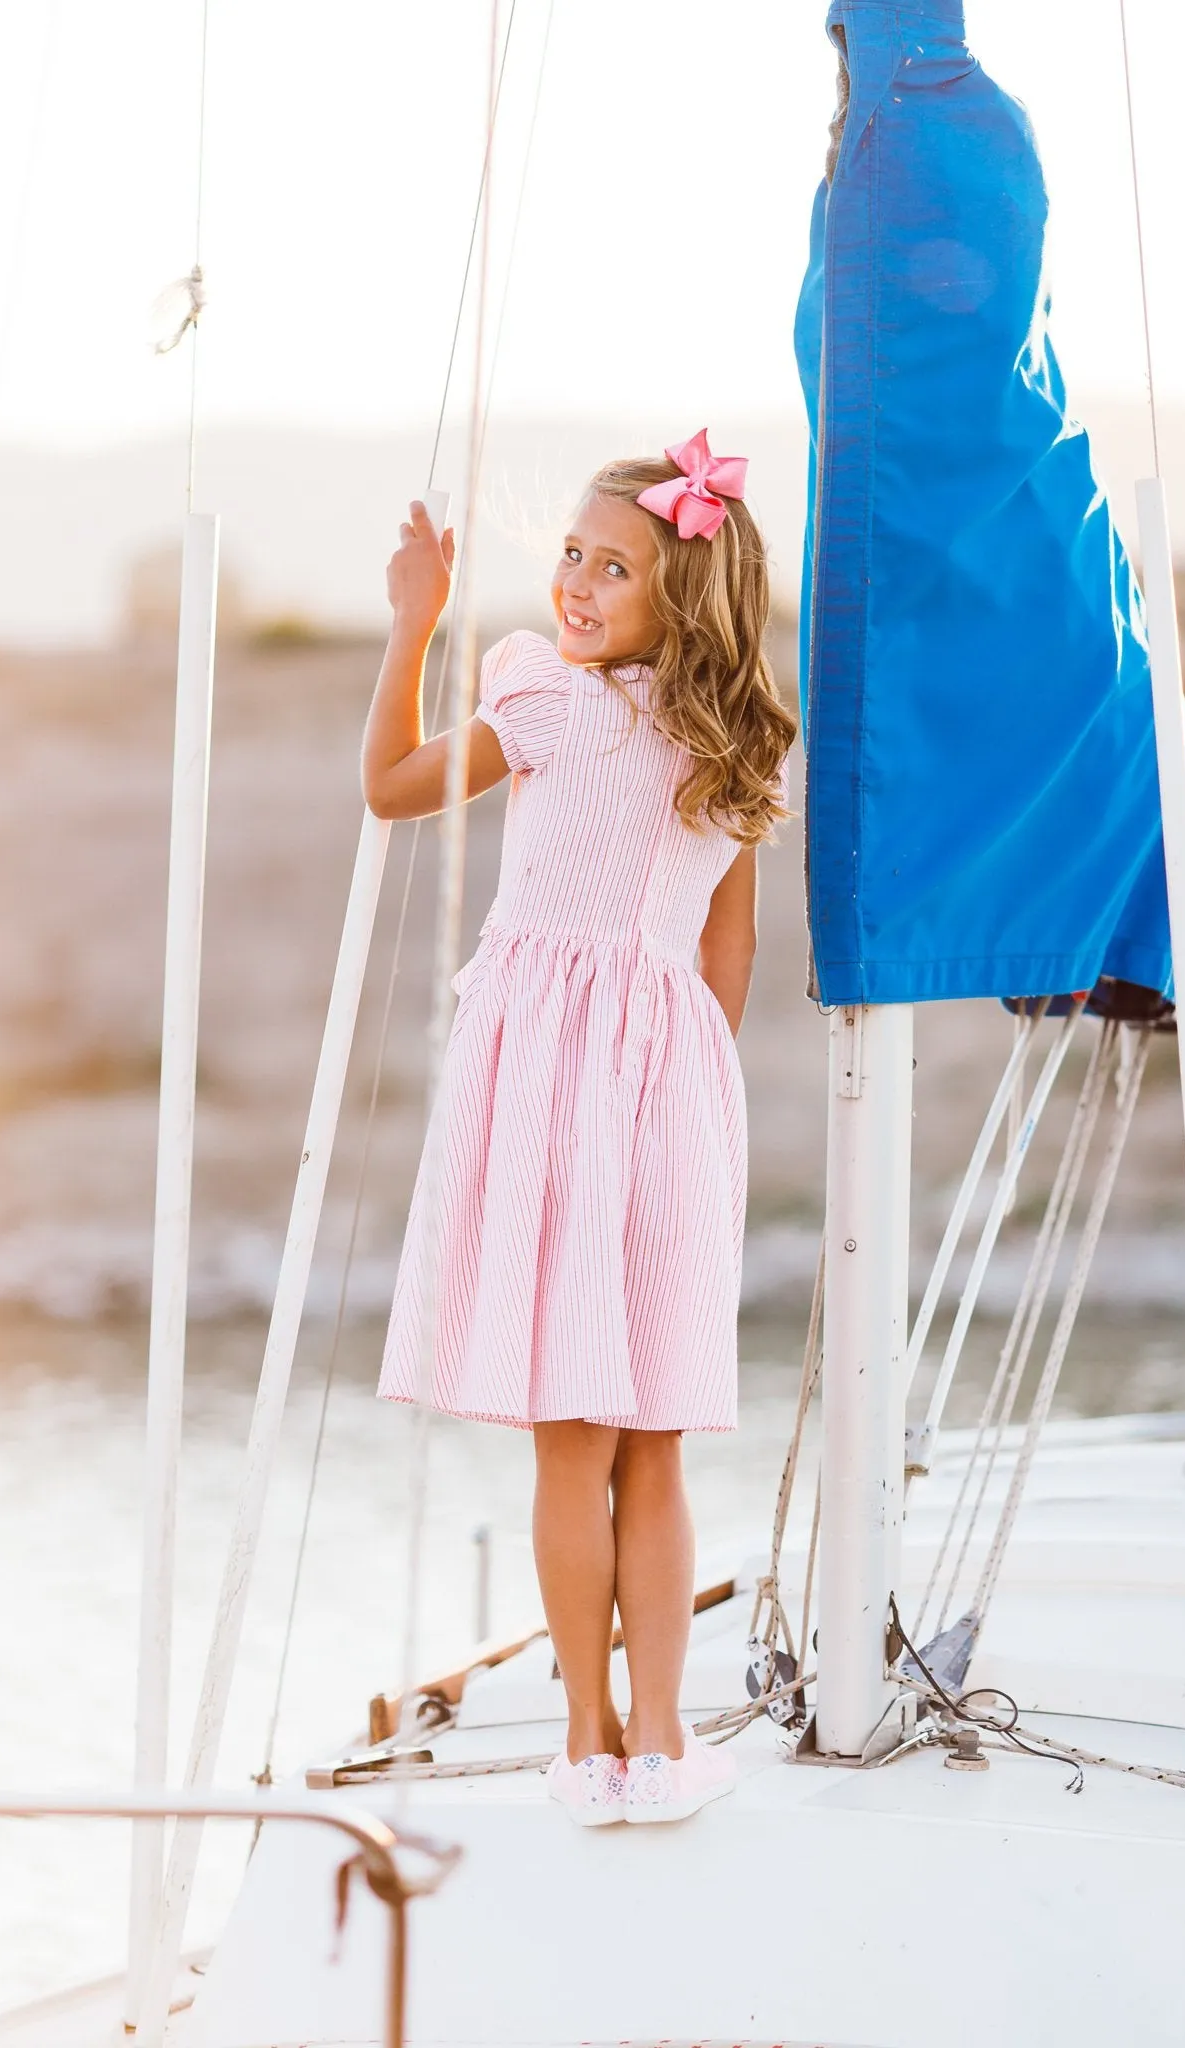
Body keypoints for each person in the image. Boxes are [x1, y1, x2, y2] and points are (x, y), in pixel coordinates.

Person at [366, 432, 795, 1826]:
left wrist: (412, 627)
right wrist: (678, 1081)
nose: (576, 583)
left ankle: (593, 1746)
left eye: (614, 565)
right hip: (668, 1082)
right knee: (643, 1433)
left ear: (683, 589)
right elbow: (724, 960)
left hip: (547, 1072)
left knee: (585, 1436)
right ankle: (653, 1745)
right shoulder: (738, 745)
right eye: (570, 553)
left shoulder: (541, 698)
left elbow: (391, 787)